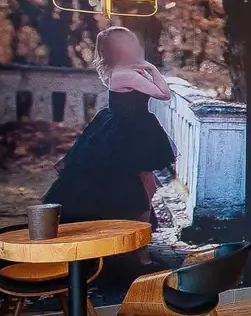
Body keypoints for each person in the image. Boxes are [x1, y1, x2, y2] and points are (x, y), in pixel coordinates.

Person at [44, 26, 175, 224]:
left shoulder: (126, 71)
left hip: (132, 128)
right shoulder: (125, 74)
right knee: (140, 189)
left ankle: (140, 233)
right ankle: (139, 235)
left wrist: (146, 69)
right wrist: (152, 68)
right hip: (127, 132)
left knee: (145, 187)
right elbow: (163, 94)